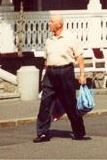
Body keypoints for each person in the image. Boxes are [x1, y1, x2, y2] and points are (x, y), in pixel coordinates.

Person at [33, 14, 87, 143]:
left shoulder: (71, 38)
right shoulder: (49, 40)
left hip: (65, 72)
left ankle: (78, 131)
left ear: (59, 24)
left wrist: (82, 74)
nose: (49, 24)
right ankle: (42, 133)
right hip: (50, 74)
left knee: (70, 103)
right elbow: (46, 59)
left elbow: (79, 57)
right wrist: (44, 75)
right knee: (45, 103)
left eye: (51, 22)